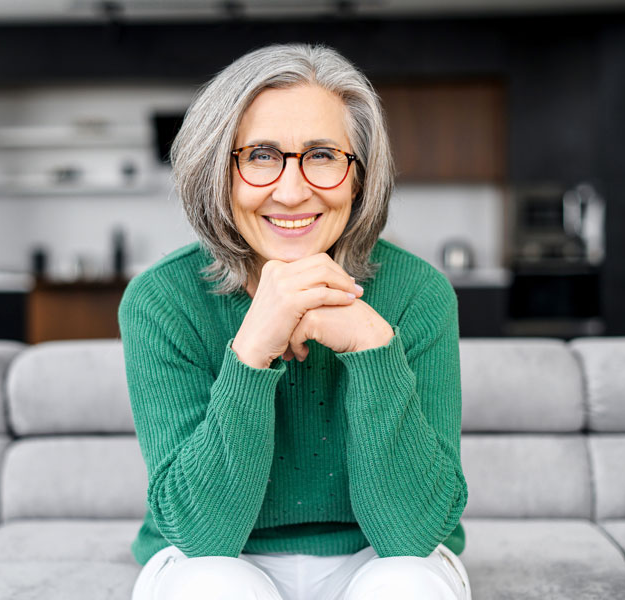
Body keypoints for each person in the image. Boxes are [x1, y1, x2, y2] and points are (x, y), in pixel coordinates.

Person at [119, 43, 470, 600]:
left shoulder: (418, 294)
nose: (291, 190)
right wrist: (252, 351)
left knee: (405, 585)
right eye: (260, 155)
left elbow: (412, 536)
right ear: (219, 171)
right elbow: (201, 535)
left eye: (323, 155)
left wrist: (373, 347)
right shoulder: (161, 300)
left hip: (376, 553)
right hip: (216, 557)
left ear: (359, 178)